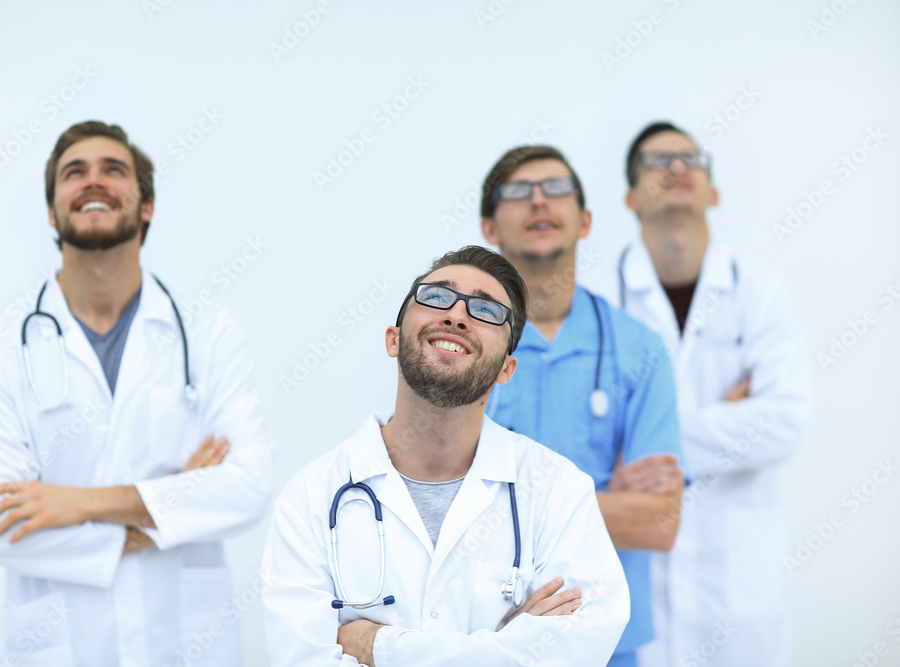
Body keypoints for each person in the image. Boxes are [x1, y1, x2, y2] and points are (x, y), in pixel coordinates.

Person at [0, 121, 274, 666]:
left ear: (145, 206)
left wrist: (75, 504)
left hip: (186, 642)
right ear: (52, 213)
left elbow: (248, 487)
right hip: (61, 647)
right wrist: (172, 501)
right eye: (73, 173)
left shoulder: (206, 332)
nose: (93, 182)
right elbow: (3, 527)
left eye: (114, 170)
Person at [261, 246, 629, 666]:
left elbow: (576, 651)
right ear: (393, 339)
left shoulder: (558, 489)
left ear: (506, 369)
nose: (456, 315)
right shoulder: (310, 497)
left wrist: (379, 647)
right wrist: (506, 645)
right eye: (436, 296)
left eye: (487, 310)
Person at [604, 121, 809, 666]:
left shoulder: (759, 289)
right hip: (632, 570)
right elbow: (585, 440)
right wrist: (726, 416)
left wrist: (647, 441)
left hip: (737, 577)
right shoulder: (600, 300)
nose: (674, 168)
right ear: (629, 197)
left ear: (713, 192)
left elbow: (785, 423)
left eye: (688, 160)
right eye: (655, 162)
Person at [479, 145, 686, 667]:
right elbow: (438, 506)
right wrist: (608, 497)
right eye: (517, 192)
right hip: (486, 631)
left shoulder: (639, 351)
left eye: (555, 189)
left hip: (608, 637)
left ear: (586, 220)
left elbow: (659, 521)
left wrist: (501, 504)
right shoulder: (464, 345)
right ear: (489, 226)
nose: (538, 201)